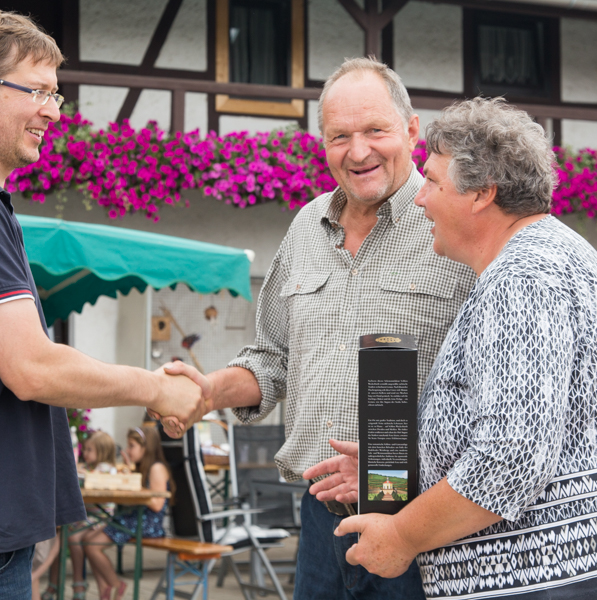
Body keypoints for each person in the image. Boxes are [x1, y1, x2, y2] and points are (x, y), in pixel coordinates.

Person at [0, 10, 208, 599]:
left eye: (55, 95)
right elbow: (32, 368)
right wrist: (155, 388)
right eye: (37, 92)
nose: (54, 112)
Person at [304, 97, 597, 599]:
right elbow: (556, 430)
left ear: (481, 194)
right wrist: (412, 462)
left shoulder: (520, 280)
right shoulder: (560, 251)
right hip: (584, 571)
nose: (419, 198)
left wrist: (402, 536)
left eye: (433, 182)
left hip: (545, 579)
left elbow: (511, 459)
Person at [165, 57, 476, 599]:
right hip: (318, 515)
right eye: (340, 136)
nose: (358, 152)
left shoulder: (451, 224)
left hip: (419, 517)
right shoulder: (307, 227)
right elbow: (272, 359)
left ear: (411, 130)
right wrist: (207, 392)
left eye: (375, 130)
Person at [83, 427, 173, 600]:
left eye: (132, 446)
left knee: (92, 546)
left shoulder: (156, 468)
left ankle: (116, 585)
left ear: (146, 447)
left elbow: (157, 505)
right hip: (133, 518)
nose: (128, 450)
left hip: (148, 523)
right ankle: (104, 590)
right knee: (88, 540)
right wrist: (128, 476)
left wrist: (133, 487)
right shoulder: (143, 467)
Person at [42, 430, 119, 600]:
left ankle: (75, 583)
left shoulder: (106, 469)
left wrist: (77, 472)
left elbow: (91, 479)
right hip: (88, 517)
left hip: (99, 517)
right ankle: (64, 583)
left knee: (70, 536)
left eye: (89, 450)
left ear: (102, 451)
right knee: (62, 534)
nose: (85, 453)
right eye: (85, 449)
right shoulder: (92, 467)